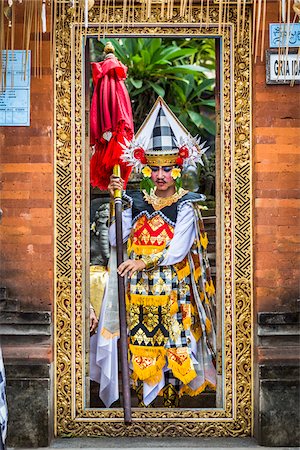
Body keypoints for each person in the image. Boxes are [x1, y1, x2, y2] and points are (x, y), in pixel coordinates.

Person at [91, 97, 216, 408]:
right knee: (140, 341)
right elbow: (118, 237)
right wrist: (116, 200)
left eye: (167, 169)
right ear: (146, 169)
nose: (161, 175)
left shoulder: (186, 204)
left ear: (178, 169)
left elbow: (177, 250)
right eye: (155, 168)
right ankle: (146, 405)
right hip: (138, 285)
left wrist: (142, 260)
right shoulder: (138, 200)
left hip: (173, 286)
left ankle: (170, 405)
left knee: (176, 343)